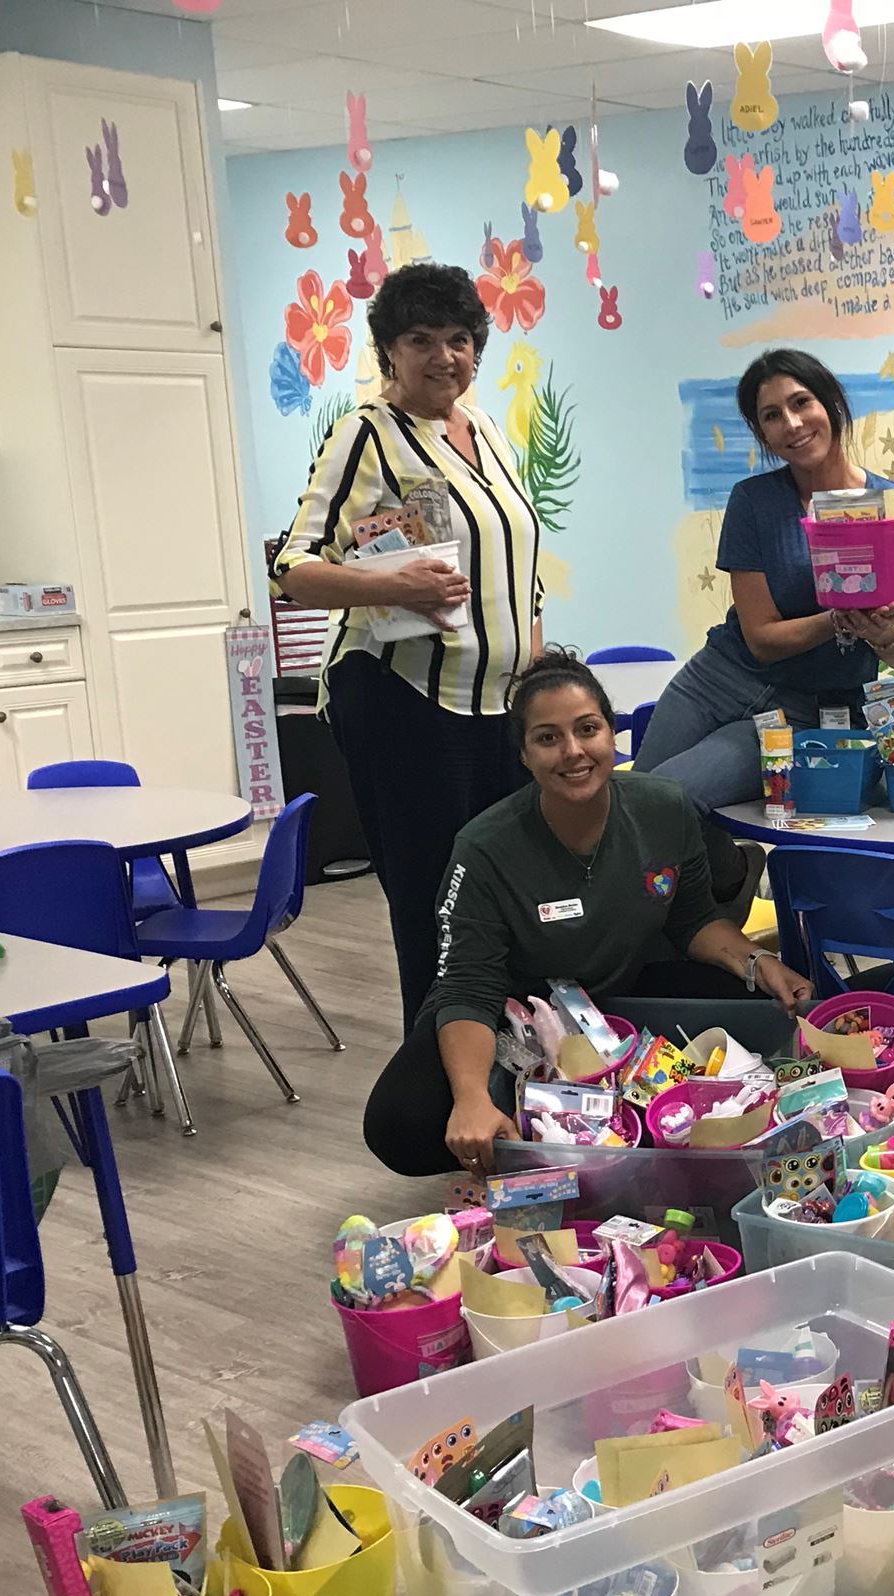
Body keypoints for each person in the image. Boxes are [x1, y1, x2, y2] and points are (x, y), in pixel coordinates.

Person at [363, 654, 814, 1179]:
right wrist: (468, 1099)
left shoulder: (663, 807)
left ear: (611, 734)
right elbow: (468, 987)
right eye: (548, 738)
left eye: (587, 729)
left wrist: (759, 960)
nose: (573, 751)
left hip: (618, 997)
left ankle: (603, 1125)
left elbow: (692, 921)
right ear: (525, 754)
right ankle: (528, 1130)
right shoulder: (484, 848)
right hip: (512, 1017)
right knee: (402, 1124)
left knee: (771, 1012)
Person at [275, 263, 545, 1029]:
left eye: (459, 339)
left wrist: (533, 655)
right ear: (388, 350)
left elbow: (515, 558)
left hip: (499, 706)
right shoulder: (366, 434)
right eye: (420, 340)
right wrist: (400, 589)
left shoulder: (483, 428)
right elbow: (293, 570)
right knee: (437, 902)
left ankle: (508, 1068)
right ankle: (438, 1092)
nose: (443, 357)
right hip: (406, 702)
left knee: (500, 891)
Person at [634, 349, 894, 812]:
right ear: (763, 434)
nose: (792, 424)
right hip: (718, 677)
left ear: (830, 404)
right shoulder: (754, 502)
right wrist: (839, 620)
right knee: (628, 803)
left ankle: (730, 873)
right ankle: (723, 876)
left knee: (667, 801)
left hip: (807, 711)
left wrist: (883, 634)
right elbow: (760, 639)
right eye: (772, 416)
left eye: (801, 403)